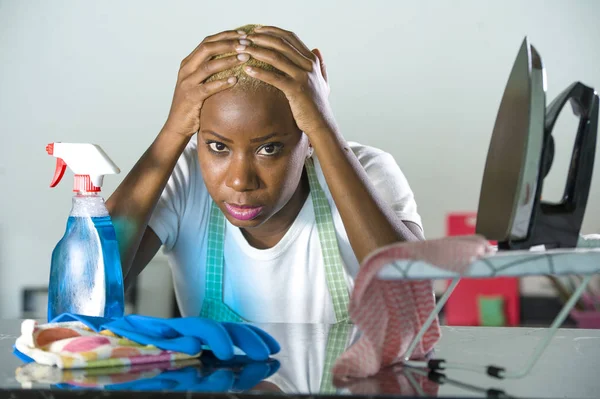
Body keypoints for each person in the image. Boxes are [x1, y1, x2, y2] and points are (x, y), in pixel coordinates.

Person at [106, 24, 424, 324]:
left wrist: (323, 128)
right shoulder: (186, 178)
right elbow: (82, 299)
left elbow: (415, 307)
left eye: (269, 149)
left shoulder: (370, 172)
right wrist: (173, 131)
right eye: (218, 146)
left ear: (308, 137)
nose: (240, 181)